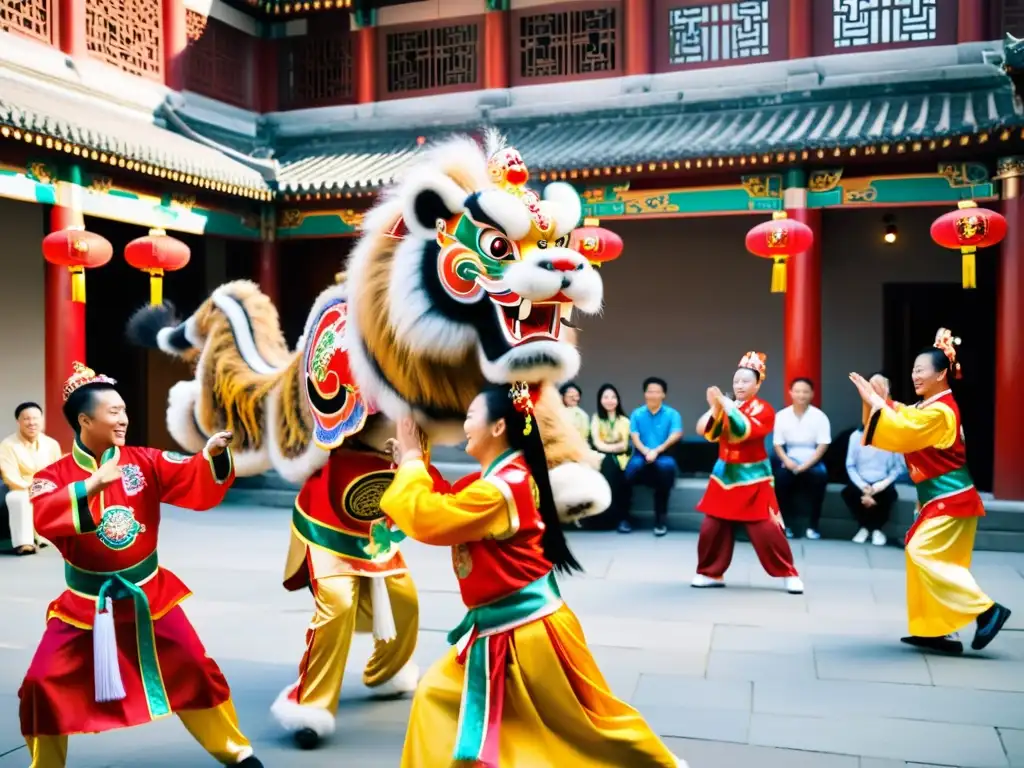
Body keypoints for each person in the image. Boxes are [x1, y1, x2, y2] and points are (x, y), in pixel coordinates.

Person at [380, 382, 687, 768]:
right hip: (504, 630)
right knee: (442, 700)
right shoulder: (499, 479)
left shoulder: (500, 489)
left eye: (471, 415)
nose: (465, 424)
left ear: (497, 428)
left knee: (589, 728)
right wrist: (413, 465)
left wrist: (411, 461)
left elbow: (432, 519)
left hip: (527, 635)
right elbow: (450, 505)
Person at [17, 362, 263, 767]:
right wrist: (91, 485)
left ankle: (238, 754)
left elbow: (189, 474)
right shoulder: (53, 476)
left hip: (150, 596)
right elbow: (44, 512)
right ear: (84, 419)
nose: (123, 419)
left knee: (195, 667)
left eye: (124, 410)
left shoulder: (144, 461)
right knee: (42, 684)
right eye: (113, 411)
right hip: (85, 605)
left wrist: (211, 456)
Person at [271, 414, 446, 749]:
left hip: (376, 526)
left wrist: (407, 463)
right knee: (338, 603)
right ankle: (309, 704)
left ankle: (387, 672)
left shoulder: (419, 401)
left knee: (404, 600)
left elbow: (429, 484)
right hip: (326, 517)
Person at [849, 328, 1011, 655]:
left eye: (921, 370)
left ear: (941, 373)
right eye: (913, 370)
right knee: (928, 558)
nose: (915, 375)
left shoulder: (941, 411)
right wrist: (883, 401)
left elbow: (905, 432)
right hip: (940, 499)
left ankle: (986, 610)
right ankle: (936, 631)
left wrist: (879, 403)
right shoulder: (930, 407)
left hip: (950, 498)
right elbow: (905, 417)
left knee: (921, 552)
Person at [691, 352, 804, 594]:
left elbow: (743, 432)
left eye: (745, 381)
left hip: (754, 478)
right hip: (724, 476)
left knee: (767, 529)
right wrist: (715, 407)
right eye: (736, 381)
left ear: (758, 384)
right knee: (712, 527)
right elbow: (706, 432)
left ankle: (788, 573)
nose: (739, 385)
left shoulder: (764, 409)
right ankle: (710, 572)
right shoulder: (728, 405)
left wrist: (727, 405)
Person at [772, 377, 832, 539]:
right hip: (789, 458)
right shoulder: (781, 416)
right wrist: (787, 461)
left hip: (812, 459)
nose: (801, 395)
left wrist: (806, 465)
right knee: (780, 480)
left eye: (805, 391)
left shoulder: (819, 417)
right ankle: (787, 525)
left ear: (812, 394)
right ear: (790, 393)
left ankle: (813, 526)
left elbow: (823, 444)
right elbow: (777, 444)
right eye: (797, 391)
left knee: (820, 477)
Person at [0, 401, 62, 554]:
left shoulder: (51, 444)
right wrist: (34, 489)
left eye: (36, 418)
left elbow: (58, 472)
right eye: (26, 419)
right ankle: (24, 543)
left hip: (48, 487)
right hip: (19, 488)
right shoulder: (7, 445)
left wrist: (49, 487)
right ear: (18, 421)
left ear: (41, 420)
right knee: (19, 498)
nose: (32, 422)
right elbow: (10, 476)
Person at [843, 397, 905, 546]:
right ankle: (866, 527)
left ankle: (875, 529)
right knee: (849, 493)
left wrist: (880, 485)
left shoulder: (893, 437)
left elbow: (899, 467)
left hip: (882, 481)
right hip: (861, 481)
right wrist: (863, 487)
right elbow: (850, 465)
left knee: (889, 494)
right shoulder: (856, 437)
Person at [625, 377, 682, 536]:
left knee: (666, 468)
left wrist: (656, 451)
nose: (653, 394)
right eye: (650, 391)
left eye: (657, 391)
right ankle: (625, 518)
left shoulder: (672, 414)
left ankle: (660, 520)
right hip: (641, 454)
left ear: (663, 394)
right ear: (645, 393)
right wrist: (646, 451)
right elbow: (634, 437)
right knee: (628, 472)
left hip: (663, 454)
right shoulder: (637, 413)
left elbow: (676, 434)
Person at [587, 383, 632, 532]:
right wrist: (612, 447)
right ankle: (603, 517)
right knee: (606, 465)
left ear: (618, 400)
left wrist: (608, 446)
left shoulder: (625, 420)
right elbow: (597, 443)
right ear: (600, 400)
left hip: (622, 458)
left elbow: (624, 445)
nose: (609, 400)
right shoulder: (596, 418)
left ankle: (620, 518)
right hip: (600, 456)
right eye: (605, 397)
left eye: (613, 397)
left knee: (618, 473)